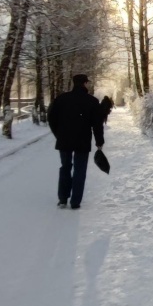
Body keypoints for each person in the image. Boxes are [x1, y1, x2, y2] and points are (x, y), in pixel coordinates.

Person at [47, 74, 105, 209]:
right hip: (82, 140)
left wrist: (58, 134)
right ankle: (75, 201)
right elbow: (97, 124)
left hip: (64, 140)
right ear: (85, 83)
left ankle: (62, 199)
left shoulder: (61, 99)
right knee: (80, 170)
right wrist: (99, 141)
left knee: (65, 167)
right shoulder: (92, 101)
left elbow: (51, 118)